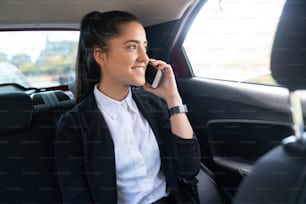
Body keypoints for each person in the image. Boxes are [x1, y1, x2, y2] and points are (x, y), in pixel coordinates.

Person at [55, 10, 201, 204]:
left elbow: (188, 169)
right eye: (132, 47)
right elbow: (77, 198)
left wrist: (173, 99)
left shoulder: (154, 104)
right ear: (101, 56)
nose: (144, 57)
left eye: (145, 47)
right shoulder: (73, 125)